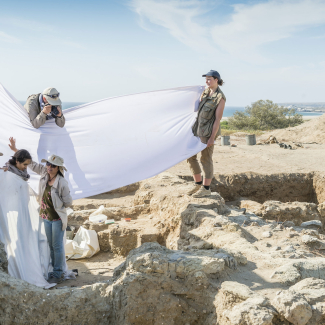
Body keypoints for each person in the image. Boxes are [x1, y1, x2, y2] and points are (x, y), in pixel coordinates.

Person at [8, 137, 72, 284]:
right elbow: (32, 164)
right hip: (45, 217)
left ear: (58, 168)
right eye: (48, 164)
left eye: (53, 166)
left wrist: (55, 205)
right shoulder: (44, 172)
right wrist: (16, 151)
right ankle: (54, 270)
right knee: (51, 245)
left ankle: (58, 272)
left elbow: (68, 202)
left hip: (56, 218)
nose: (49, 167)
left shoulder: (62, 182)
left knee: (57, 246)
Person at [187, 70, 226, 198]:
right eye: (206, 79)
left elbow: (217, 120)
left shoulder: (220, 98)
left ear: (216, 80)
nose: (207, 81)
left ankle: (206, 189)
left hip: (208, 132)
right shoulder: (205, 92)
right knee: (190, 156)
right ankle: (198, 184)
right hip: (197, 129)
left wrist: (211, 138)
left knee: (205, 159)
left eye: (209, 79)